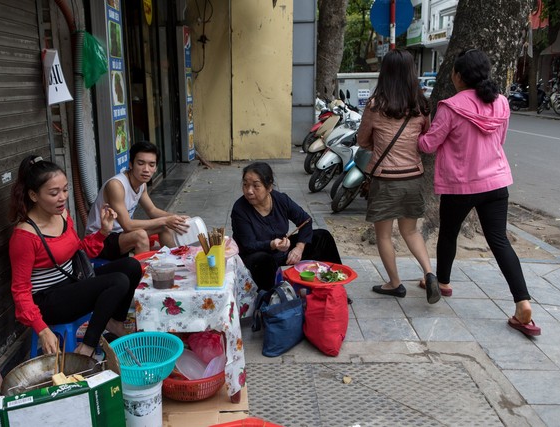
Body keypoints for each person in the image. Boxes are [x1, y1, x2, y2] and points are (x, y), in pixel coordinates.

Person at [418, 48, 541, 335]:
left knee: (448, 233)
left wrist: (419, 134)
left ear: (459, 76)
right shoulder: (501, 103)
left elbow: (429, 145)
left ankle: (444, 282)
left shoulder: (450, 107)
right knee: (499, 241)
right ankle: (522, 302)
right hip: (497, 183)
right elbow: (500, 139)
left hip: (461, 185)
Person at [9, 155, 142, 357]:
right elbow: (20, 292)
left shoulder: (62, 215)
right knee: (118, 281)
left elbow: (80, 251)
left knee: (131, 266)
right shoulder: (25, 235)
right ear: (34, 196)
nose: (62, 197)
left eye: (65, 189)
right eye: (54, 193)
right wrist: (42, 329)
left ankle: (113, 322)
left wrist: (103, 232)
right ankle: (87, 347)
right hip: (49, 301)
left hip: (72, 283)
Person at [356, 49, 440, 303]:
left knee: (384, 234)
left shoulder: (375, 105)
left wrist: (377, 145)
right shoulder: (421, 106)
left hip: (386, 179)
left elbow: (362, 140)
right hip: (413, 177)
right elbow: (424, 137)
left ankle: (394, 283)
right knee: (411, 231)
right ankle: (429, 273)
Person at [231, 162, 342, 291]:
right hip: (255, 256)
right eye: (245, 185)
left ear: (269, 187)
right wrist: (272, 244)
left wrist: (298, 248)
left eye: (256, 186)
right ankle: (270, 300)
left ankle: (334, 289)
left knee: (323, 236)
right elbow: (248, 245)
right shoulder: (240, 209)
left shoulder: (280, 199)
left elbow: (306, 220)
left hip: (282, 250)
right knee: (262, 259)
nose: (249, 191)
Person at [85, 141, 190, 260]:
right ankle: (142, 276)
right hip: (99, 240)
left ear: (156, 168)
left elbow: (152, 210)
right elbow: (128, 225)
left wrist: (177, 218)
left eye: (151, 164)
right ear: (131, 164)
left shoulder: (141, 185)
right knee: (140, 235)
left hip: (120, 235)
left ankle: (178, 261)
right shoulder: (116, 185)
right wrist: (165, 220)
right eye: (140, 163)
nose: (146, 169)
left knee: (166, 226)